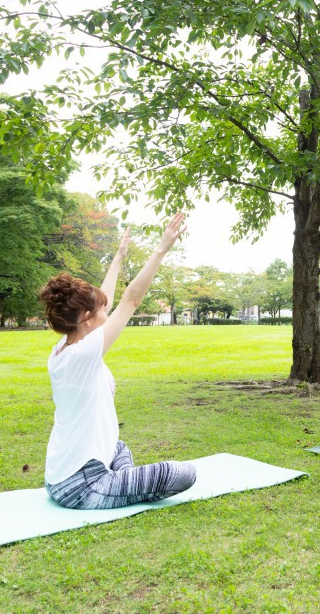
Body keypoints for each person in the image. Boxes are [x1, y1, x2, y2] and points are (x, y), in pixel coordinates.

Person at [38, 213, 197, 509]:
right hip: (82, 486)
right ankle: (121, 486)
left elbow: (106, 300)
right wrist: (161, 249)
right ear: (87, 319)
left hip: (60, 476)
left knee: (117, 445)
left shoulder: (64, 347)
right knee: (184, 473)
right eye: (100, 312)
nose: (107, 314)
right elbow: (130, 301)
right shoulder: (84, 354)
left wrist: (119, 256)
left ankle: (124, 484)